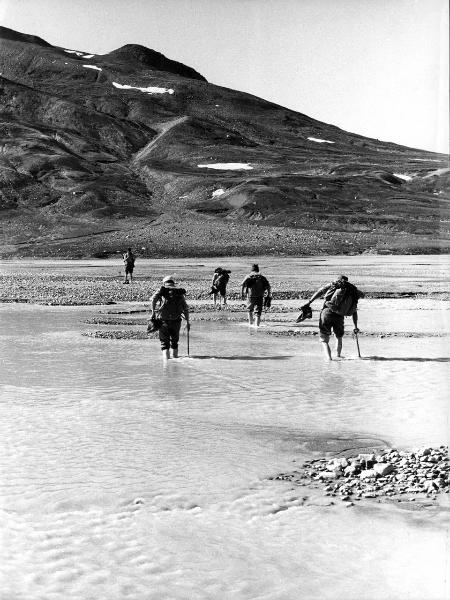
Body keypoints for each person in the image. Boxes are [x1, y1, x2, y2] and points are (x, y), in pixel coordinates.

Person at [303, 275, 364, 360]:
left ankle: (329, 359)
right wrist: (355, 326)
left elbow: (320, 292)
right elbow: (354, 311)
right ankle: (338, 356)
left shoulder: (333, 285)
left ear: (338, 280)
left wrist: (309, 302)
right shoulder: (352, 292)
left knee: (324, 339)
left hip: (327, 312)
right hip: (339, 316)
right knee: (338, 337)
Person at [150, 276, 190, 359]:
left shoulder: (162, 290)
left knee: (164, 344)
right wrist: (187, 321)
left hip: (163, 321)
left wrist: (153, 313)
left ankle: (167, 364)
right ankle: (175, 359)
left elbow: (153, 299)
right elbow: (185, 308)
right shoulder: (179, 292)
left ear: (164, 283)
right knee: (174, 343)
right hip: (176, 321)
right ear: (173, 283)